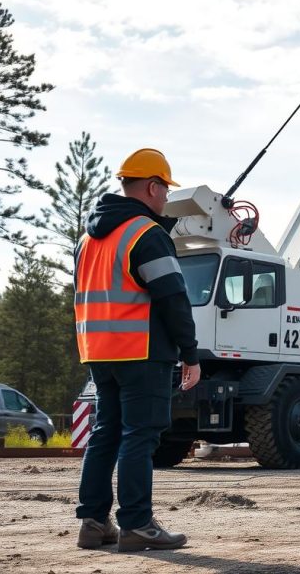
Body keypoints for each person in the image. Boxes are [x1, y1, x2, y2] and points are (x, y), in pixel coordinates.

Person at [74, 148, 200, 552]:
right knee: (140, 436)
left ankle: (93, 522)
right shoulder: (146, 234)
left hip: (98, 350)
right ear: (151, 187)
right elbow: (173, 298)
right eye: (164, 190)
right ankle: (137, 524)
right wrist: (190, 352)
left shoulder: (88, 239)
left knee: (105, 433)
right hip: (141, 352)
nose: (166, 198)